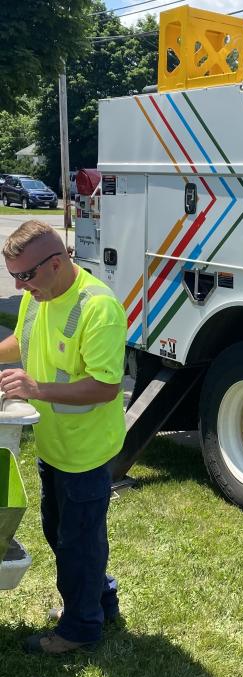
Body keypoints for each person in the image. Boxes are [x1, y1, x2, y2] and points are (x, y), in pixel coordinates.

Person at [0, 220, 127, 655]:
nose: (19, 286)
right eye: (13, 276)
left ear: (56, 263)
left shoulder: (98, 308)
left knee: (77, 544)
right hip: (54, 445)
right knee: (65, 534)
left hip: (85, 453)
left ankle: (80, 629)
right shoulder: (38, 297)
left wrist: (36, 389)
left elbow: (105, 386)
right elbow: (21, 341)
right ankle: (99, 601)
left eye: (25, 275)